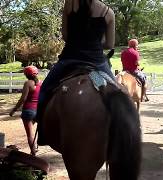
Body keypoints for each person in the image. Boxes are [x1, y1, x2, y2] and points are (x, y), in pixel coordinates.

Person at [36, 0, 115, 145]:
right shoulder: (108, 12)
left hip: (70, 59)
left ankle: (42, 131)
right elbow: (110, 44)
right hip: (96, 64)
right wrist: (95, 42)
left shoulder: (70, 4)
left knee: (45, 90)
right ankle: (119, 136)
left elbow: (65, 36)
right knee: (118, 93)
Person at [9, 66, 42, 155]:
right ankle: (35, 148)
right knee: (35, 132)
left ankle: (33, 153)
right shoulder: (41, 83)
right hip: (38, 111)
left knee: (30, 134)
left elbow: (23, 99)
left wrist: (14, 110)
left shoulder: (28, 83)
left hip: (28, 111)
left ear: (26, 74)